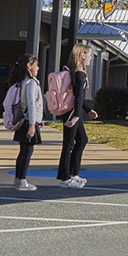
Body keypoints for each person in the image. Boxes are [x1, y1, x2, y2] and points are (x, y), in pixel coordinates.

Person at [56, 44, 100, 189]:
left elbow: (77, 97)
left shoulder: (75, 72)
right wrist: (76, 116)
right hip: (71, 113)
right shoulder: (80, 74)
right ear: (82, 55)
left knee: (82, 140)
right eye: (89, 54)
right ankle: (65, 178)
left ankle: (73, 173)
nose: (91, 58)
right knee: (68, 144)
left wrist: (88, 110)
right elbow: (78, 98)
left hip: (71, 111)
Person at [10, 53, 44, 191]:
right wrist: (32, 125)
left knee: (23, 150)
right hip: (28, 121)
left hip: (28, 120)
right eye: (36, 65)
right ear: (29, 67)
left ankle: (18, 179)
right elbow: (31, 104)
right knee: (27, 151)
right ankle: (22, 180)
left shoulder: (22, 82)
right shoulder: (31, 83)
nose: (38, 68)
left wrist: (38, 120)